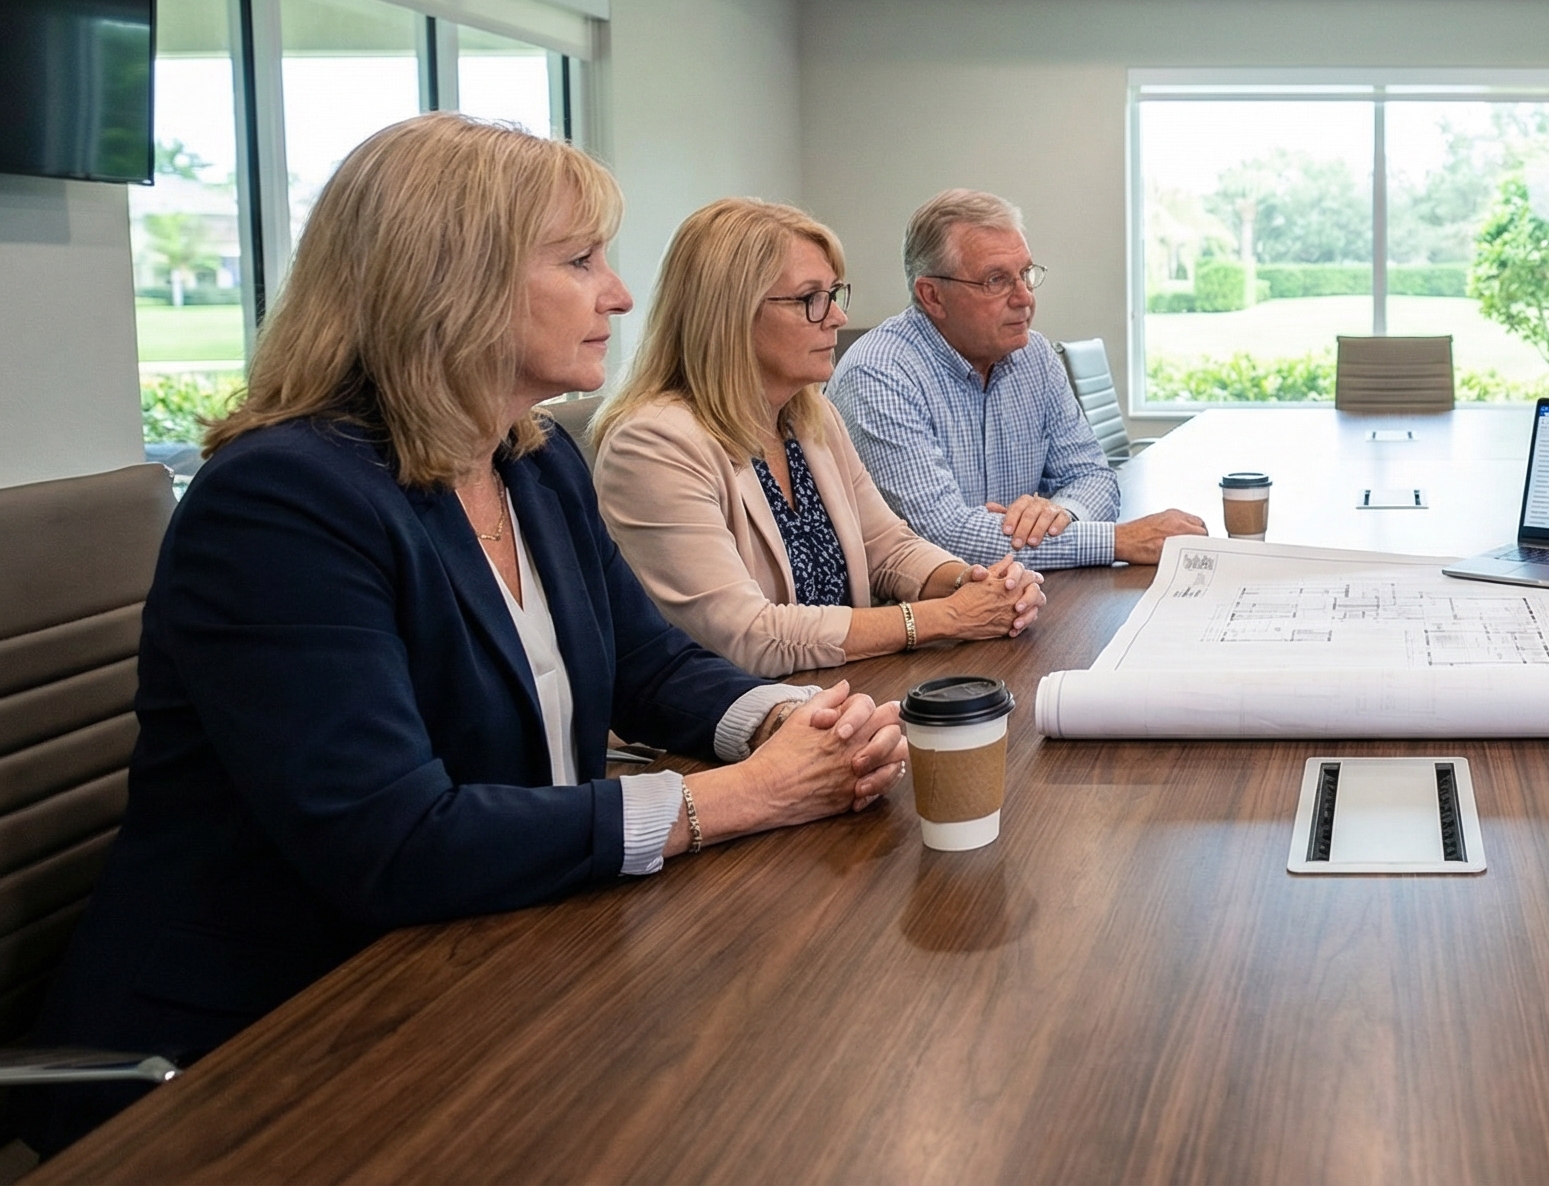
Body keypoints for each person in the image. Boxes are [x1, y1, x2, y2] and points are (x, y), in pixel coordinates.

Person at [23, 116, 909, 1151]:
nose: (619, 295)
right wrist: (736, 798)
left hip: (490, 955)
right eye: (580, 261)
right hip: (265, 1050)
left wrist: (797, 722)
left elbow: (643, 661)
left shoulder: (531, 462)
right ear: (452, 279)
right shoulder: (280, 500)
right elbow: (393, 841)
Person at [592, 198, 1044, 676]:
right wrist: (946, 617)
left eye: (833, 294)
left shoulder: (810, 416)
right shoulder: (652, 444)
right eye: (811, 299)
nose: (836, 318)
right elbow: (748, 635)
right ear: (729, 315)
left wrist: (974, 582)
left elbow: (888, 547)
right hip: (724, 733)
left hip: (838, 692)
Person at [828, 189, 1205, 568]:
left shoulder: (1034, 356)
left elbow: (1093, 475)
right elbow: (942, 538)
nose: (1024, 297)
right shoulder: (879, 375)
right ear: (933, 297)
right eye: (996, 280)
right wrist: (1117, 540)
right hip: (920, 615)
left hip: (1018, 597)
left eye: (1025, 274)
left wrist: (1059, 516)